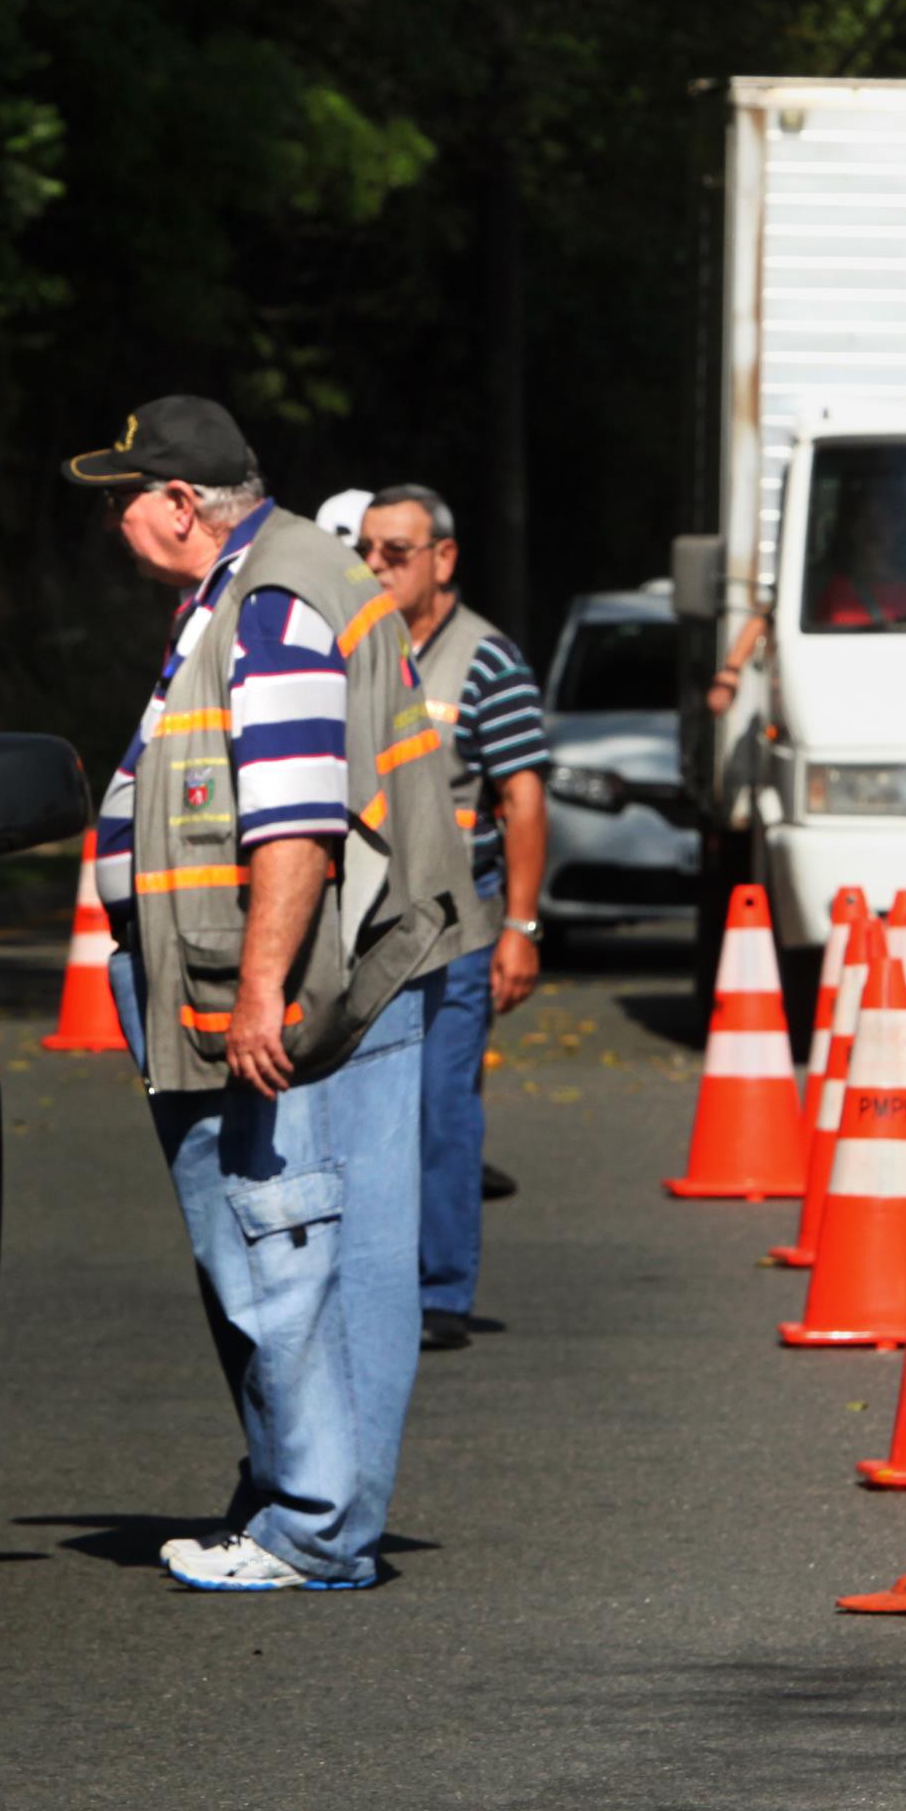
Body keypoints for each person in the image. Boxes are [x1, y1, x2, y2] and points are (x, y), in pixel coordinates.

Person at [68, 395, 471, 1593]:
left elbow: (293, 823)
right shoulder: (266, 584)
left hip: (292, 1002)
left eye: (124, 497)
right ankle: (302, 1501)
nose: (115, 522)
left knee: (297, 1244)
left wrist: (257, 995)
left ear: (182, 504)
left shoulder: (275, 599)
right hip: (297, 992)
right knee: (312, 1246)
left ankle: (314, 1526)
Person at [353, 484, 552, 1354]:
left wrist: (521, 927)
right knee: (362, 1109)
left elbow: (523, 797)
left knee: (441, 1108)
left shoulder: (486, 660)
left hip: (458, 930)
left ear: (443, 558)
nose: (375, 566)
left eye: (394, 551)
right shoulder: (354, 649)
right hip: (362, 927)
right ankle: (372, 1279)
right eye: (365, 549)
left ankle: (440, 1291)